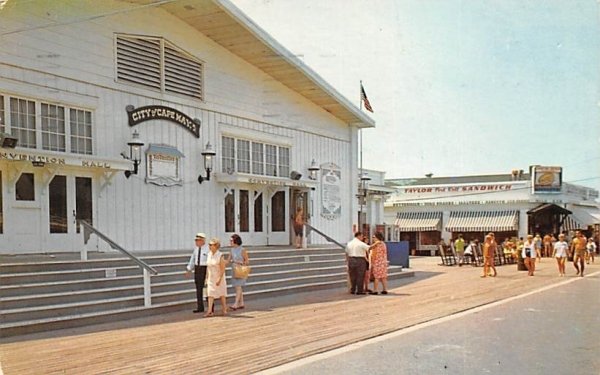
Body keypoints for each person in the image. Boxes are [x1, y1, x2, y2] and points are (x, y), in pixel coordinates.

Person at [185, 232, 209, 313]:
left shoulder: (208, 249)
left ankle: (210, 307)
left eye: (198, 240)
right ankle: (200, 307)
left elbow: (210, 261)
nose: (196, 242)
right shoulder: (196, 250)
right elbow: (192, 260)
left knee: (207, 289)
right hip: (197, 269)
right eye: (196, 240)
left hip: (205, 269)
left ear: (203, 241)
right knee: (198, 288)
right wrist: (189, 269)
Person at [204, 238, 228, 317]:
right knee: (210, 293)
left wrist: (220, 278)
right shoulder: (209, 254)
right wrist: (206, 277)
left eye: (211, 245)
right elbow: (208, 267)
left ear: (216, 246)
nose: (209, 246)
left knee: (222, 294)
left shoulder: (220, 255)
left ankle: (224, 308)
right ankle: (209, 311)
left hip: (218, 276)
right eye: (209, 245)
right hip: (211, 277)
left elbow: (223, 268)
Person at [228, 234, 250, 310]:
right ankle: (241, 303)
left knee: (238, 286)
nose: (230, 242)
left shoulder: (242, 250)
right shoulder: (231, 250)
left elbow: (247, 261)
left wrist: (239, 262)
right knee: (238, 286)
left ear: (235, 241)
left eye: (231, 240)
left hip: (240, 269)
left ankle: (236, 303)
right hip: (234, 269)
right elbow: (228, 260)